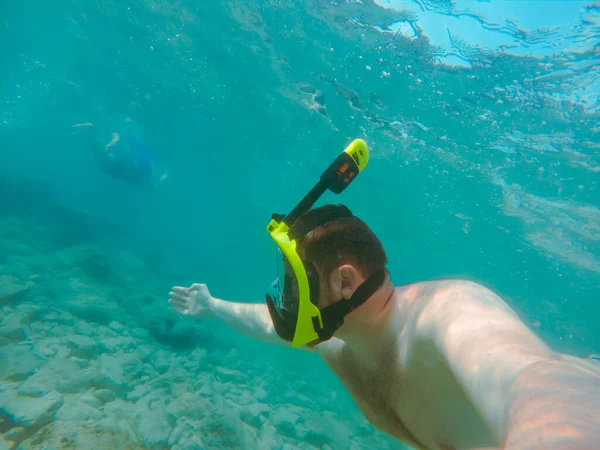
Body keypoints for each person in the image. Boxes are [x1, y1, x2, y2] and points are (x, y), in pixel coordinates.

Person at [168, 140, 600, 450]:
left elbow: (539, 381)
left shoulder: (450, 313)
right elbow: (272, 326)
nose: (285, 299)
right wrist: (213, 307)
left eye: (296, 283)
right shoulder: (339, 340)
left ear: (344, 282)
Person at [71, 119, 167, 186]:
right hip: (124, 169)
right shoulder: (147, 169)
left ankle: (90, 133)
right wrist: (162, 178)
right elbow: (151, 185)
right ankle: (92, 134)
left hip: (123, 168)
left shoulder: (146, 167)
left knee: (104, 157)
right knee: (104, 158)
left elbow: (131, 144)